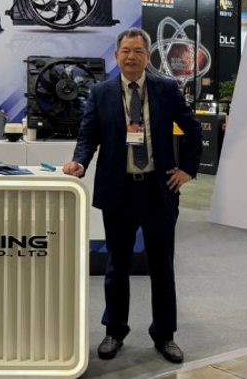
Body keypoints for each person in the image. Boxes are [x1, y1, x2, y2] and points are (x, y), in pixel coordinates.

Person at [63, 28, 203, 365]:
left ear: (148, 55)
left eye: (138, 51)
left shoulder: (166, 89)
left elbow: (193, 129)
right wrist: (80, 162)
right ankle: (115, 330)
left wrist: (188, 169)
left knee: (162, 266)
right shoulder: (101, 93)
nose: (131, 57)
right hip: (118, 190)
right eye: (126, 51)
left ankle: (165, 335)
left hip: (159, 190)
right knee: (117, 265)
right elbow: (88, 135)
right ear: (117, 55)